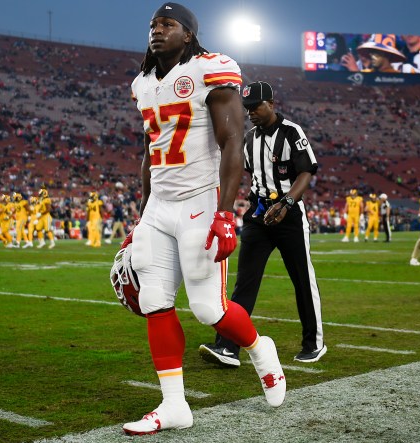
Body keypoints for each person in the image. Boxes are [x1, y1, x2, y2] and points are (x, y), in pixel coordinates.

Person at [122, 3, 285, 435]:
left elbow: (233, 141)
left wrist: (226, 213)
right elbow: (148, 154)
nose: (157, 30)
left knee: (207, 308)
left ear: (189, 35)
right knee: (156, 301)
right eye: (154, 24)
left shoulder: (211, 69)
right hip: (160, 206)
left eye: (168, 24)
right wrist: (143, 213)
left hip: (199, 201)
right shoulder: (141, 84)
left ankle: (258, 348)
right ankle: (174, 406)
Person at [199, 80, 325, 368]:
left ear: (271, 103)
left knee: (302, 279)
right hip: (259, 214)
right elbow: (245, 172)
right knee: (245, 282)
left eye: (255, 106)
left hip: (289, 214)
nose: (251, 112)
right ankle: (227, 347)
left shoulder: (292, 132)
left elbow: (306, 172)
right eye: (247, 108)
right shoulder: (249, 139)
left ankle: (313, 343)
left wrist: (287, 203)